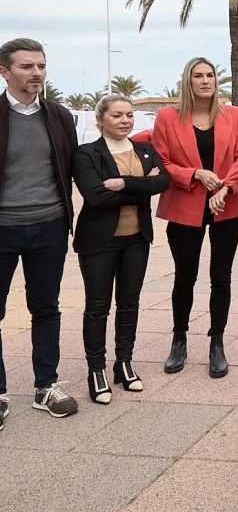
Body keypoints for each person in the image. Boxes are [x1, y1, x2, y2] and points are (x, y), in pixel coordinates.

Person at [152, 57, 238, 379]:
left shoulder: (233, 115)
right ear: (189, 81)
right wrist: (194, 173)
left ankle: (217, 342)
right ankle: (179, 339)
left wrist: (226, 187)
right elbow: (161, 161)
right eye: (198, 76)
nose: (206, 80)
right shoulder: (167, 117)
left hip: (226, 208)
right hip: (184, 206)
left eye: (210, 75)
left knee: (221, 278)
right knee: (185, 277)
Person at [0, 38, 79, 424]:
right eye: (27, 66)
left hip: (49, 227)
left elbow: (75, 166)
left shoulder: (59, 115)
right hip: (2, 228)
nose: (36, 73)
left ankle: (45, 386)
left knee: (46, 308)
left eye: (41, 66)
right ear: (5, 71)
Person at [71, 95, 169, 403]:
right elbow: (96, 196)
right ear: (100, 120)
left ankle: (123, 363)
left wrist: (124, 183)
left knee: (129, 304)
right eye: (117, 115)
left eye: (129, 114)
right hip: (99, 242)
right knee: (97, 307)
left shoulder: (146, 150)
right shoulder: (85, 153)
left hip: (137, 239)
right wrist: (142, 186)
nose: (125, 120)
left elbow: (163, 183)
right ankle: (96, 369)